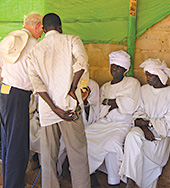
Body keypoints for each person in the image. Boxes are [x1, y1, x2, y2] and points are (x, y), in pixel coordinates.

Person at [27, 13, 90, 188]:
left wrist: (54, 109)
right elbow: (82, 62)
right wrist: (72, 87)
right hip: (69, 106)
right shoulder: (72, 40)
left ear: (44, 29)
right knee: (77, 155)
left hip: (48, 110)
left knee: (48, 157)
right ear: (60, 27)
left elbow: (37, 84)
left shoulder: (34, 52)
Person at [119, 58, 170, 188]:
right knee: (132, 136)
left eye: (151, 75)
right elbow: (138, 112)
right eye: (146, 74)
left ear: (159, 75)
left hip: (159, 137)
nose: (148, 78)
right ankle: (130, 181)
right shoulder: (144, 89)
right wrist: (144, 128)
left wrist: (149, 124)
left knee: (147, 177)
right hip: (143, 131)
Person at [86, 50, 141, 187]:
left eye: (118, 67)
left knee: (112, 143)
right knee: (85, 136)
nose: (114, 69)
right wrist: (116, 102)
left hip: (122, 124)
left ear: (125, 70)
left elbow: (130, 105)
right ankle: (90, 175)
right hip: (105, 122)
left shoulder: (132, 83)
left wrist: (110, 102)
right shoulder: (105, 86)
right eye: (113, 66)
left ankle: (113, 182)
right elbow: (101, 108)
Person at [0, 13, 43, 188]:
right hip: (18, 95)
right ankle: (14, 184)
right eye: (42, 29)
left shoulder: (9, 38)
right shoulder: (35, 46)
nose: (42, 33)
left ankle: (8, 180)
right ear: (38, 26)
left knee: (7, 141)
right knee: (17, 144)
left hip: (4, 92)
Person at [57, 77, 100, 177]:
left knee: (82, 144)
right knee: (61, 144)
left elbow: (94, 111)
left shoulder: (92, 85)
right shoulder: (67, 83)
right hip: (68, 121)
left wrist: (83, 101)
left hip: (86, 124)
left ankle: (85, 175)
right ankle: (57, 172)